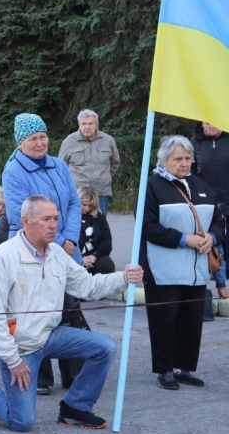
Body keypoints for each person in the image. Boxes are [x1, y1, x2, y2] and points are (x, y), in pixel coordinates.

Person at [0, 196, 143, 432]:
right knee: (23, 421)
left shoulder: (57, 254)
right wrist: (13, 361)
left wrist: (123, 277)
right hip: (20, 347)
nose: (53, 225)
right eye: (46, 219)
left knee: (105, 346)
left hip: (50, 336)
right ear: (25, 221)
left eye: (56, 219)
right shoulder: (3, 257)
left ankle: (75, 407)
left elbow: (88, 287)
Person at [3, 113, 84, 395]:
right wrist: (59, 241)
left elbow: (74, 202)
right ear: (20, 142)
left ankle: (74, 375)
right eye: (32, 138)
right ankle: (40, 377)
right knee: (35, 311)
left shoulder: (59, 165)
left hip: (65, 247)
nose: (40, 143)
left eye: (43, 136)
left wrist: (70, 238)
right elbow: (20, 213)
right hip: (33, 247)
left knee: (70, 307)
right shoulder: (13, 172)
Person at [140, 135, 223, 390]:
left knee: (191, 319)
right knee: (164, 319)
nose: (184, 163)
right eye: (178, 159)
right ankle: (164, 369)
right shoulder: (151, 187)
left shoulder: (201, 186)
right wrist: (183, 239)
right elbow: (147, 227)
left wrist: (212, 236)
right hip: (162, 267)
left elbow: (219, 221)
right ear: (164, 161)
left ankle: (185, 367)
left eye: (188, 158)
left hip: (196, 269)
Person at [191, 121, 229, 299]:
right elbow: (191, 174)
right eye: (207, 122)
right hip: (207, 204)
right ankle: (221, 286)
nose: (212, 125)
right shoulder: (195, 142)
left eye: (215, 121)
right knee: (215, 245)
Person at [58, 110, 120, 216]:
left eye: (90, 123)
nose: (87, 127)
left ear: (97, 124)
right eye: (84, 124)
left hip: (101, 191)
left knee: (99, 225)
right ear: (79, 124)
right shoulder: (69, 141)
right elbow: (60, 166)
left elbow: (115, 163)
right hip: (77, 193)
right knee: (77, 226)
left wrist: (105, 177)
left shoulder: (108, 140)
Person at [78, 186, 115, 275]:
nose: (87, 209)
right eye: (84, 204)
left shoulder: (98, 216)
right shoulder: (69, 217)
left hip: (93, 256)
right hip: (74, 258)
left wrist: (95, 256)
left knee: (106, 265)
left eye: (90, 205)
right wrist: (80, 259)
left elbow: (106, 241)